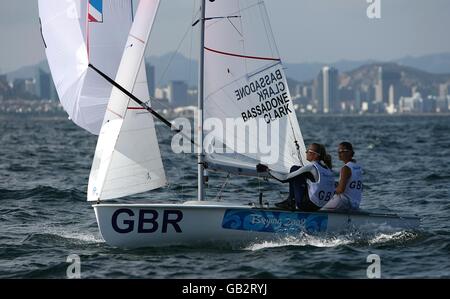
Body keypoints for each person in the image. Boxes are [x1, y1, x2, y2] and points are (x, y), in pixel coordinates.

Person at [257, 143, 335, 212]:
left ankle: (290, 202)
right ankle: (290, 201)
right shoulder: (328, 169)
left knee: (295, 168)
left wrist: (267, 170)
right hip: (319, 206)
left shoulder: (311, 167)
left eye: (308, 151)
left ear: (315, 155)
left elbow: (284, 179)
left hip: (306, 205)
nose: (306, 152)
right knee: (300, 173)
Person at [322, 142, 363, 211]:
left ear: (349, 152)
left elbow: (341, 190)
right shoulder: (358, 167)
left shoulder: (346, 168)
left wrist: (329, 192)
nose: (339, 154)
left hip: (344, 202)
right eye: (338, 151)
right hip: (356, 203)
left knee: (318, 205)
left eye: (341, 151)